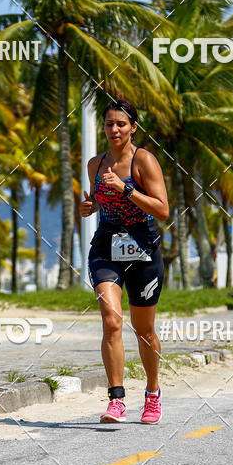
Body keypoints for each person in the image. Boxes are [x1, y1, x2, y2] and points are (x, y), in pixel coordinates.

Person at [80, 98, 169, 424]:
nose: (114, 129)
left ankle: (152, 392)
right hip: (106, 247)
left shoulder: (144, 161)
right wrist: (88, 209)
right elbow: (99, 203)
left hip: (142, 249)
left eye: (121, 124)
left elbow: (162, 209)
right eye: (109, 124)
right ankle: (116, 398)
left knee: (143, 330)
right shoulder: (95, 164)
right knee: (111, 319)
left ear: (133, 127)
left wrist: (126, 189)